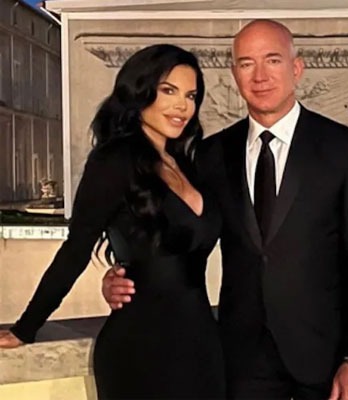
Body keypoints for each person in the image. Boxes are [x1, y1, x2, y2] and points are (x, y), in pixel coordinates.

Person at [103, 19, 348, 400]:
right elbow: (176, 233)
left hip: (324, 357)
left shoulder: (346, 149)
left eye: (273, 60)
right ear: (234, 73)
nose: (260, 76)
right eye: (246, 63)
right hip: (242, 358)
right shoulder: (210, 155)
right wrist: (123, 272)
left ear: (296, 68)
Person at [0, 44, 226, 400]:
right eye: (168, 91)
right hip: (140, 349)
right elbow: (76, 249)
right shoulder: (113, 161)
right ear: (140, 91)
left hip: (201, 346)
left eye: (191, 95)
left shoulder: (187, 163)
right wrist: (26, 327)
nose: (183, 106)